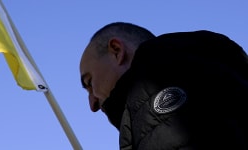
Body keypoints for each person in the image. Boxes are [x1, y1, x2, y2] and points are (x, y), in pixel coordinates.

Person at [79, 22, 248, 150]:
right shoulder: (214, 70)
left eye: (89, 82)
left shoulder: (156, 79)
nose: (92, 104)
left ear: (116, 50)